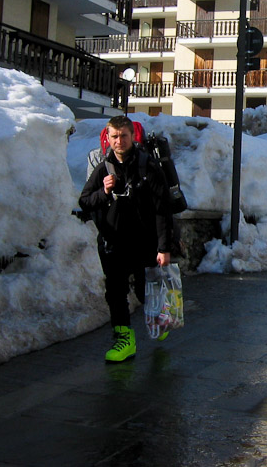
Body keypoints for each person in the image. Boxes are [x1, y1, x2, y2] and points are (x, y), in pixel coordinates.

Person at [79, 115, 173, 362]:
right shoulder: (104, 167)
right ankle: (125, 340)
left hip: (144, 242)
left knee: (144, 290)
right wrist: (104, 191)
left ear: (132, 137)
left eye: (123, 135)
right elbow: (85, 201)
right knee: (115, 291)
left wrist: (164, 247)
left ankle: (158, 316)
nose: (118, 141)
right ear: (107, 138)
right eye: (114, 136)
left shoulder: (148, 166)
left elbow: (163, 209)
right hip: (113, 242)